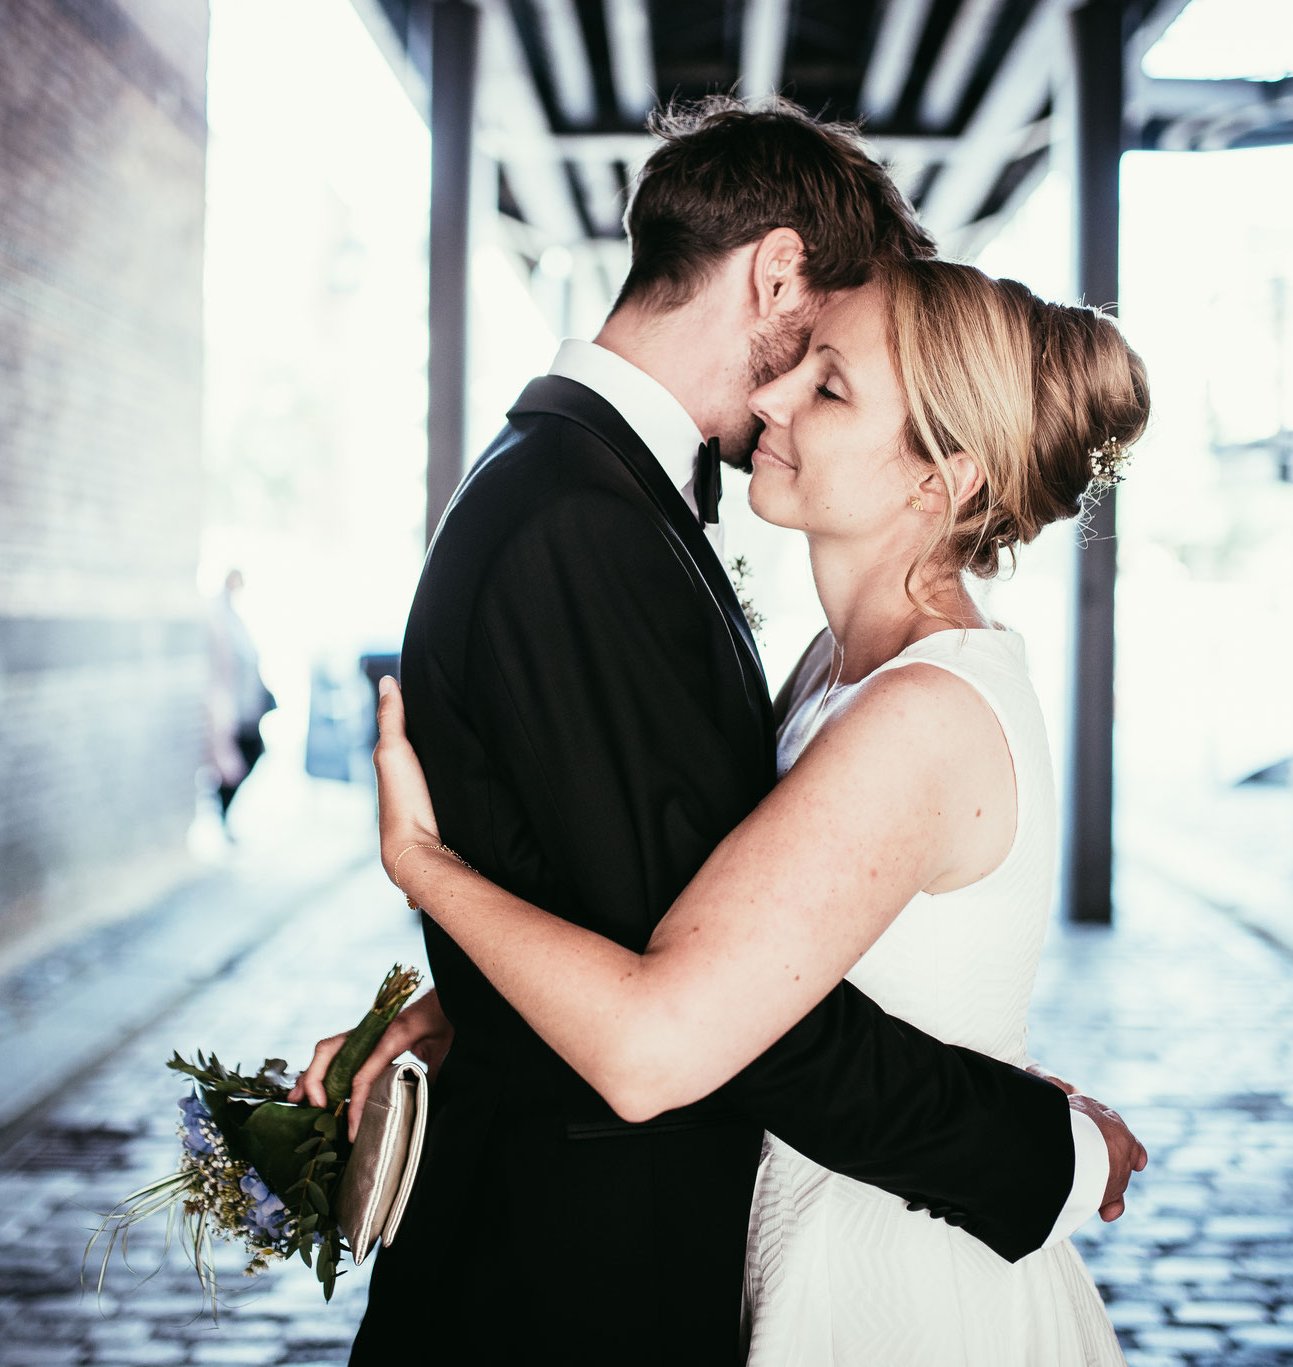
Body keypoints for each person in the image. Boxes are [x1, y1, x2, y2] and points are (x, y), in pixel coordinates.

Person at [294, 99, 1146, 1365]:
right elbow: (681, 940)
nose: (792, 397)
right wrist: (468, 995)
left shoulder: (890, 684)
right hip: (611, 1262)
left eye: (836, 381)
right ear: (776, 272)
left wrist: (438, 891)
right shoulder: (596, 525)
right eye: (811, 355)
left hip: (877, 1277)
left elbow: (690, 993)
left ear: (941, 477)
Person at [206, 568, 274, 825]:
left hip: (246, 706)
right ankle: (221, 807)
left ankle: (223, 807)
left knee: (250, 753)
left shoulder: (234, 617)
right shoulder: (220, 618)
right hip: (233, 707)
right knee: (239, 757)